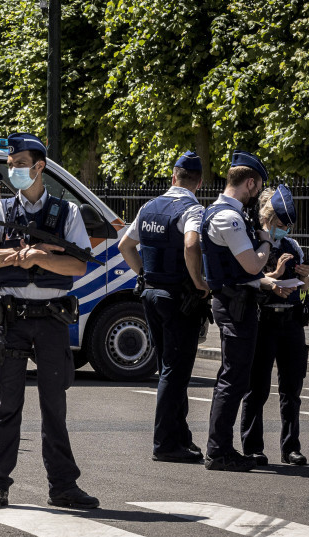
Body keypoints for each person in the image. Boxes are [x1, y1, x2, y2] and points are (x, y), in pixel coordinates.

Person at [0, 132, 98, 510]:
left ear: (40, 167)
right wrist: (16, 255)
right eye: (10, 165)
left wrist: (40, 257)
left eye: (20, 164)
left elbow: (76, 264)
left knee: (54, 406)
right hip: (11, 319)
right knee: (8, 406)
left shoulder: (66, 212)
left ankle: (63, 487)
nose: (14, 171)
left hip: (52, 319)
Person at [117, 151, 208, 463]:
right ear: (199, 181)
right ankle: (166, 444)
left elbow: (125, 246)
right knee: (175, 371)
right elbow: (192, 244)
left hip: (150, 295)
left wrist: (143, 273)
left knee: (168, 367)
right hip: (178, 300)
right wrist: (198, 281)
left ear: (173, 176)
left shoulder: (149, 207)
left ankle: (181, 437)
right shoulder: (193, 209)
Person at [200, 150, 273, 472]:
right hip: (235, 306)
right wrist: (266, 240)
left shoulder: (221, 213)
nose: (256, 195)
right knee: (234, 379)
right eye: (257, 189)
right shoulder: (228, 217)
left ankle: (221, 448)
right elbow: (252, 264)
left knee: (233, 377)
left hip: (234, 302)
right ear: (251, 182)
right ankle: (219, 450)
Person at [241, 185, 309, 466]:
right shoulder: (251, 242)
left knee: (291, 389)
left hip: (291, 320)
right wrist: (276, 275)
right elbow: (250, 279)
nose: (286, 231)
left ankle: (290, 447)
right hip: (264, 321)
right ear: (267, 218)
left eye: (288, 226)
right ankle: (252, 447)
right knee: (256, 388)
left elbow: (305, 286)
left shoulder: (292, 246)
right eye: (281, 225)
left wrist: (306, 278)